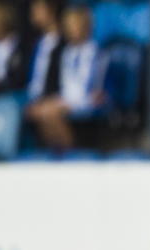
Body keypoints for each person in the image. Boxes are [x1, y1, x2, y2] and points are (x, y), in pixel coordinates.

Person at [26, 3, 107, 150]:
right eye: (69, 25)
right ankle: (55, 154)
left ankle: (72, 154)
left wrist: (66, 103)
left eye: (76, 24)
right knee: (41, 111)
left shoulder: (97, 53)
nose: (72, 29)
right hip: (67, 100)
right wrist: (58, 101)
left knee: (50, 112)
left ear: (86, 25)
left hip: (88, 100)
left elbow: (94, 90)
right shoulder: (66, 53)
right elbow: (65, 86)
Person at [26, 0, 64, 102]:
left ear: (52, 8)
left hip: (52, 100)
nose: (33, 11)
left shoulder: (64, 44)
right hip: (30, 98)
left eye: (38, 7)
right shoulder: (34, 43)